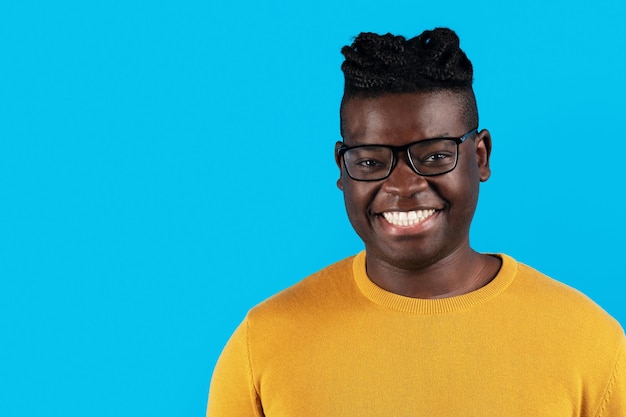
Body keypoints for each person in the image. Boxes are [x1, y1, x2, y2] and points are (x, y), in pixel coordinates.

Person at [206, 27, 625, 416]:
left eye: (436, 155)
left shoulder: (589, 343)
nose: (404, 185)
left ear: (480, 157)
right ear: (342, 168)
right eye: (371, 160)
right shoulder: (262, 345)